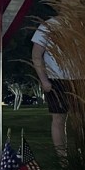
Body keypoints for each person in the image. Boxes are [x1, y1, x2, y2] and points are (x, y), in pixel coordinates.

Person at [31, 17, 74, 158]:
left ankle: (83, 156)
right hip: (57, 79)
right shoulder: (49, 25)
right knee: (59, 119)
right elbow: (36, 54)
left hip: (83, 79)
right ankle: (63, 159)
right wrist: (44, 80)